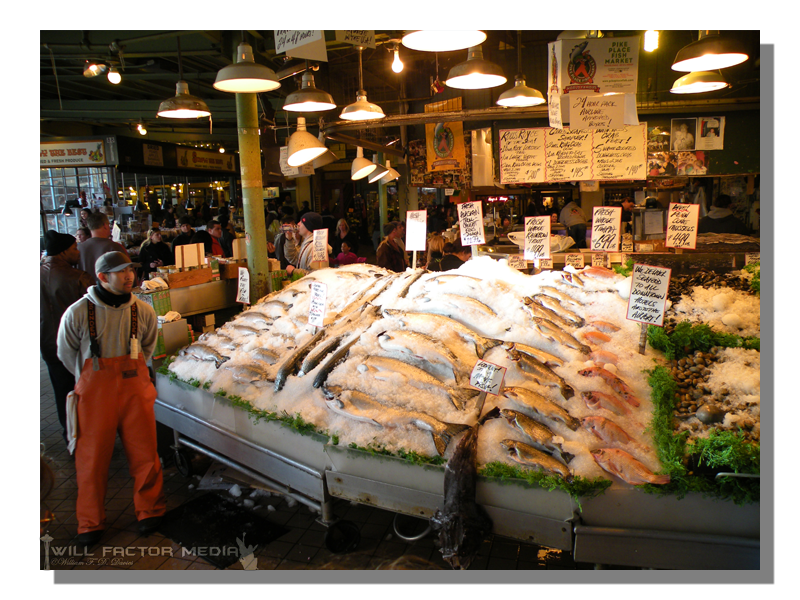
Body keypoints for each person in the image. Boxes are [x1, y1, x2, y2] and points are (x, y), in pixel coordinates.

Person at [57, 251, 166, 546]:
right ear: (103, 277)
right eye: (121, 272)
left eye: (131, 269)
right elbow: (65, 353)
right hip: (94, 396)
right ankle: (90, 523)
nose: (130, 276)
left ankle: (150, 511)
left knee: (146, 454)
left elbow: (147, 347)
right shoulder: (78, 312)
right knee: (91, 460)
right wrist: (91, 376)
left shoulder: (142, 310)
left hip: (135, 391)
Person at [41, 231, 94, 444]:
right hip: (78, 348)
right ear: (63, 251)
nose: (78, 250)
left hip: (47, 345)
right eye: (74, 248)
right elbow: (97, 312)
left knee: (62, 392)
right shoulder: (78, 278)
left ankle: (70, 437)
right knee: (85, 392)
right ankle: (89, 438)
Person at [78, 212, 130, 283]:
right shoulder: (114, 247)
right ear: (105, 225)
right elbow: (128, 274)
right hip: (110, 292)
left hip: (86, 292)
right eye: (108, 225)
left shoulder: (78, 249)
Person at [284, 212, 330, 277]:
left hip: (309, 286)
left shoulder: (317, 247)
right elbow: (293, 258)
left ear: (308, 226)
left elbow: (317, 275)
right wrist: (289, 240)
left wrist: (294, 271)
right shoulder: (307, 243)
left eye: (301, 222)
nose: (298, 224)